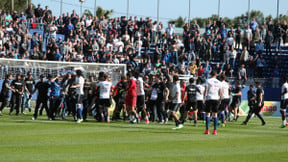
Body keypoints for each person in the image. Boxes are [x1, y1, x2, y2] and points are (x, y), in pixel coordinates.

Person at [204, 71, 222, 135]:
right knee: (215, 114)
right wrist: (220, 99)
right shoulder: (219, 82)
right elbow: (220, 91)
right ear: (216, 75)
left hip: (209, 98)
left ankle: (207, 130)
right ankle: (214, 130)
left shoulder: (208, 80)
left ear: (210, 74)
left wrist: (204, 98)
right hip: (216, 98)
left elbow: (206, 90)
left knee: (208, 114)